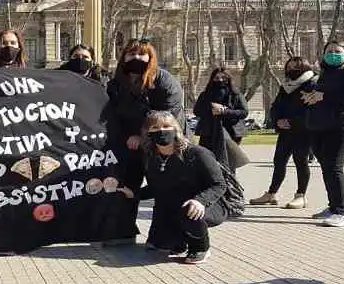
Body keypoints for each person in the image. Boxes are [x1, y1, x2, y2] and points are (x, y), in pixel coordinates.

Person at [120, 111, 226, 264]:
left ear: (176, 129)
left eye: (166, 126)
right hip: (173, 204)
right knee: (159, 244)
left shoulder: (197, 153)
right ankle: (179, 241)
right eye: (155, 128)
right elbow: (157, 188)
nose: (161, 131)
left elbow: (219, 184)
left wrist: (200, 201)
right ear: (147, 133)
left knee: (188, 210)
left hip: (206, 204)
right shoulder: (151, 157)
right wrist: (134, 194)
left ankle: (200, 247)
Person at [106, 38, 184, 242]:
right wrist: (125, 137)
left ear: (151, 57)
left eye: (142, 54)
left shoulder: (164, 81)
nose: (137, 58)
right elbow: (110, 115)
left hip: (163, 141)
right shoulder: (116, 84)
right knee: (126, 185)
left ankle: (169, 236)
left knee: (164, 187)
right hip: (128, 144)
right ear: (124, 57)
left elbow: (168, 114)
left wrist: (143, 136)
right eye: (131, 54)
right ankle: (123, 231)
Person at [305, 40, 344, 227]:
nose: (332, 54)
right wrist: (312, 97)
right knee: (327, 168)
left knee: (334, 167)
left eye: (337, 51)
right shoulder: (326, 73)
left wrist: (324, 96)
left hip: (343, 126)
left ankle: (342, 212)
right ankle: (333, 206)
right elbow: (322, 97)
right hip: (322, 126)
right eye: (329, 51)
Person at [250, 57, 316, 209]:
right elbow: (276, 106)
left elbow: (312, 110)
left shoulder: (312, 84)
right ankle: (271, 194)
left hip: (303, 131)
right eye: (289, 67)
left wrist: (293, 122)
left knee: (301, 161)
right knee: (279, 161)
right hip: (285, 131)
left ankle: (301, 196)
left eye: (295, 68)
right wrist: (277, 120)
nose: (291, 70)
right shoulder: (286, 86)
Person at [193, 66, 248, 170]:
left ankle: (229, 180)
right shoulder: (205, 95)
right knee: (208, 162)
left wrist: (225, 111)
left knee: (228, 164)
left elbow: (244, 112)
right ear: (212, 79)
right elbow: (197, 111)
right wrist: (211, 109)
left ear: (228, 78)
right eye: (217, 78)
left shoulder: (235, 94)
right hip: (208, 133)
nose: (220, 80)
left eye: (223, 77)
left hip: (231, 132)